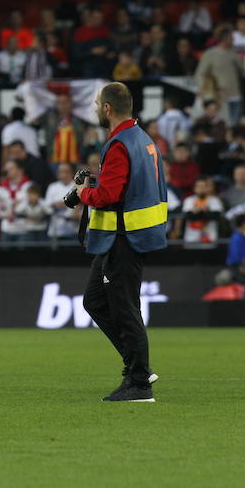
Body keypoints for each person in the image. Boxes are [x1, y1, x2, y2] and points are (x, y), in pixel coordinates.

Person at [73, 82, 167, 402]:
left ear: (108, 109)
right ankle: (137, 366)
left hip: (123, 237)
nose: (95, 109)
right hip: (131, 233)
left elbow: (110, 195)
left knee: (125, 308)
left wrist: (82, 193)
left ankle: (139, 382)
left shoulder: (119, 145)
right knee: (96, 301)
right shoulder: (143, 140)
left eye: (97, 103)